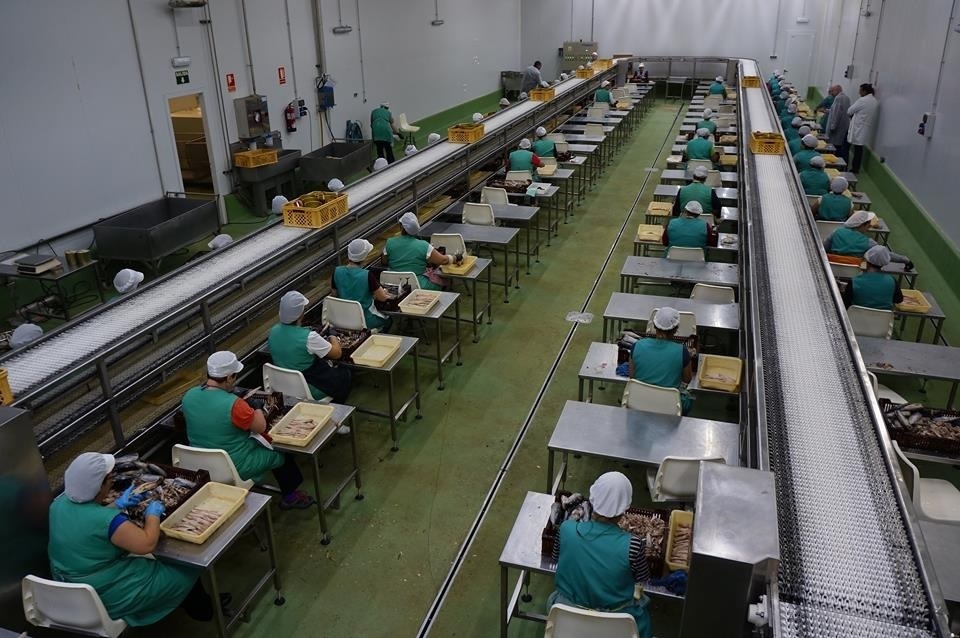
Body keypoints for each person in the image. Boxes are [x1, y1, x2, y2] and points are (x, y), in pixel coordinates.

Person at [48, 452, 213, 626]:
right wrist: (153, 514)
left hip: (68, 589)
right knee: (188, 568)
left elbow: (85, 524)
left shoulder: (57, 505)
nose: (112, 482)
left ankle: (195, 604)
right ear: (99, 486)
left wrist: (116, 505)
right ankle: (200, 609)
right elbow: (146, 544)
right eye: (109, 479)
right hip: (107, 594)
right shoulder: (108, 521)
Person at [182, 351, 315, 509]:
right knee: (281, 453)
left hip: (198, 463)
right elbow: (260, 427)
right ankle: (290, 496)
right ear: (230, 377)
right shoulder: (234, 405)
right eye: (235, 376)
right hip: (235, 464)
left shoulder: (189, 396)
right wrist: (256, 407)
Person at [547, 472, 652, 638]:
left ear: (593, 500)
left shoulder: (567, 529)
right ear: (625, 508)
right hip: (615, 627)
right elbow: (642, 578)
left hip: (567, 622)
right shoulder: (634, 545)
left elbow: (555, 558)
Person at [268, 291, 351, 403]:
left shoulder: (273, 332)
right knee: (345, 374)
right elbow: (337, 353)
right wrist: (332, 335)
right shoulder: (309, 337)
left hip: (284, 387)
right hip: (309, 388)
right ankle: (338, 406)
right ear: (301, 314)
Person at [628, 306, 693, 415]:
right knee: (688, 398)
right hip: (669, 407)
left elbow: (632, 375)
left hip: (639, 401)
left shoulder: (637, 345)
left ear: (654, 325)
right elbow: (687, 380)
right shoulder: (682, 351)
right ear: (676, 329)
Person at [383, 212, 457, 291]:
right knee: (443, 281)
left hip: (393, 284)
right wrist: (454, 257)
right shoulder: (423, 245)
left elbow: (384, 261)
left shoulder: (389, 242)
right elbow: (443, 260)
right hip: (417, 285)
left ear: (401, 227)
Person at [331, 239, 391, 331]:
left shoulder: (337, 271)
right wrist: (383, 292)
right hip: (365, 320)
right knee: (388, 320)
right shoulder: (367, 275)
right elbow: (382, 297)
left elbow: (334, 295)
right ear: (365, 256)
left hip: (343, 319)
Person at [823, 211, 913, 267]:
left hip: (831, 268)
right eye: (868, 224)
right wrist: (905, 260)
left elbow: (823, 249)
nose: (870, 226)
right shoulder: (869, 243)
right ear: (862, 225)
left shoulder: (837, 232)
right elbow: (885, 254)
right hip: (855, 274)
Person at [842, 245, 903, 310]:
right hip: (883, 319)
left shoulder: (854, 281)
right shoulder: (892, 281)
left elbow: (846, 304)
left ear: (867, 261)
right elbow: (899, 299)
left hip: (856, 319)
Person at [847, 83, 877, 173]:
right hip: (864, 127)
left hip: (858, 127)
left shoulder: (863, 100)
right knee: (859, 149)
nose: (859, 93)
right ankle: (856, 168)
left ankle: (851, 167)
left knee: (852, 148)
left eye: (860, 91)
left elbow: (850, 111)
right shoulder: (874, 100)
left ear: (864, 91)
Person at [826, 85, 852, 162]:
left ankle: (835, 162)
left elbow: (836, 113)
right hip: (844, 126)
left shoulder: (838, 98)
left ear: (837, 91)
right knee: (841, 145)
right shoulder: (847, 98)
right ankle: (840, 162)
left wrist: (832, 126)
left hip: (837, 127)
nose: (831, 94)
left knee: (835, 146)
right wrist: (828, 111)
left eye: (832, 91)